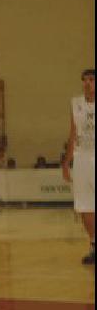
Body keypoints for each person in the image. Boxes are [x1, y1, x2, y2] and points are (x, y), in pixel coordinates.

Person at [63, 68, 95, 264]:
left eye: (91, 80)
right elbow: (73, 133)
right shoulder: (76, 103)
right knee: (84, 206)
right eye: (84, 80)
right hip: (82, 157)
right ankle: (93, 245)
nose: (88, 83)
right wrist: (66, 162)